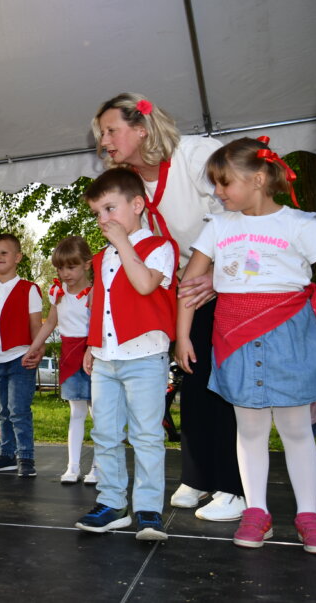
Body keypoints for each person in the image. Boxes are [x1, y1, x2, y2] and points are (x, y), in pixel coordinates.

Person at [93, 93, 244, 521]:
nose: (104, 141)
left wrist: (221, 274)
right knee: (192, 372)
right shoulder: (131, 184)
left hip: (228, 277)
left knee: (222, 380)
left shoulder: (195, 155)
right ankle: (198, 476)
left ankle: (234, 486)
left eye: (110, 130)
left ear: (141, 128)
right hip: (189, 287)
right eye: (101, 134)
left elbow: (242, 205)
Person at [175, 138, 316, 553]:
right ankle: (257, 511)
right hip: (235, 336)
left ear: (258, 179)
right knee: (250, 429)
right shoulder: (218, 225)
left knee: (296, 429)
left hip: (289, 334)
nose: (218, 192)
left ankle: (308, 514)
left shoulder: (301, 224)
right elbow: (190, 283)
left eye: (224, 183)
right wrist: (183, 335)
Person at [75, 168, 175, 541]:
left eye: (110, 209)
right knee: (104, 432)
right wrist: (90, 344)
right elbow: (100, 305)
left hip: (145, 356)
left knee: (147, 434)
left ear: (137, 204)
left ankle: (147, 509)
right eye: (98, 213)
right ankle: (112, 502)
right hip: (106, 356)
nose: (103, 220)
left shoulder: (159, 247)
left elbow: (146, 284)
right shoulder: (101, 258)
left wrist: (125, 245)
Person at [23, 236, 98, 484]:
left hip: (92, 353)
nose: (65, 273)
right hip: (68, 353)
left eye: (71, 267)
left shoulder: (94, 292)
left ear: (87, 265)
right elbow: (51, 323)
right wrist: (34, 347)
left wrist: (94, 349)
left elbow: (100, 325)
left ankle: (98, 467)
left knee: (97, 413)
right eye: (60, 267)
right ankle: (72, 466)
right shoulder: (57, 292)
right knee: (76, 411)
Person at [0, 234, 43, 477]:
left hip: (21, 356)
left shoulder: (29, 289)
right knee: (3, 410)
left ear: (17, 257)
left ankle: (25, 456)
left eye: (4, 253)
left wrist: (38, 349)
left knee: (18, 409)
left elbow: (36, 325)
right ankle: (6, 454)